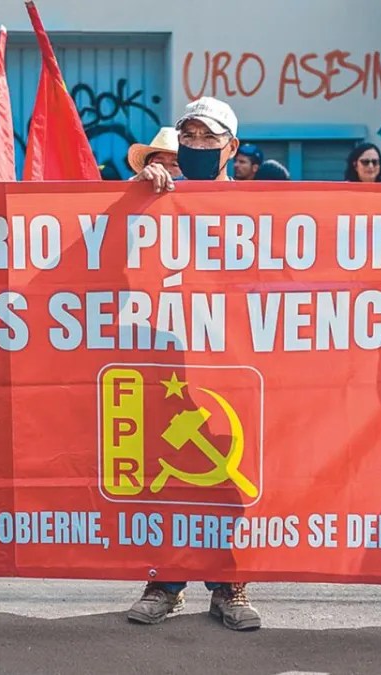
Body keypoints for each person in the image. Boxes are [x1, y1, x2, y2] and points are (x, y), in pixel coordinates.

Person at [127, 96, 260, 632]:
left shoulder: (258, 208)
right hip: (165, 354)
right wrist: (141, 193)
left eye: (210, 138)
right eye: (190, 138)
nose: (198, 147)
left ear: (232, 146)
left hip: (232, 362)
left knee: (232, 472)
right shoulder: (154, 195)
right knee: (167, 470)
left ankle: (229, 585)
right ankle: (165, 581)